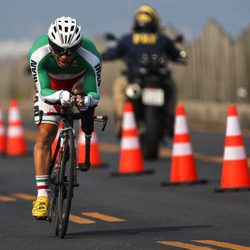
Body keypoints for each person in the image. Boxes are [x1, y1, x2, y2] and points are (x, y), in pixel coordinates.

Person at [28, 16, 102, 219]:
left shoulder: (91, 56)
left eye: (70, 50)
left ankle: (65, 152)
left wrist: (86, 100)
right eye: (59, 49)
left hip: (78, 84)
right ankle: (42, 195)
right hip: (50, 87)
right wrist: (61, 95)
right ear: (51, 44)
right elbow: (43, 91)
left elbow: (95, 94)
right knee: (46, 132)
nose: (64, 55)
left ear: (78, 47)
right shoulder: (38, 53)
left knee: (82, 102)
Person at [102, 5, 187, 138]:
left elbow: (113, 53)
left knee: (119, 87)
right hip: (160, 80)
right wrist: (181, 56)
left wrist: (104, 55)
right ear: (155, 21)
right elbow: (177, 55)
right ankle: (170, 118)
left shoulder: (128, 39)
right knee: (172, 88)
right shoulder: (162, 39)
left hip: (134, 80)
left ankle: (121, 119)